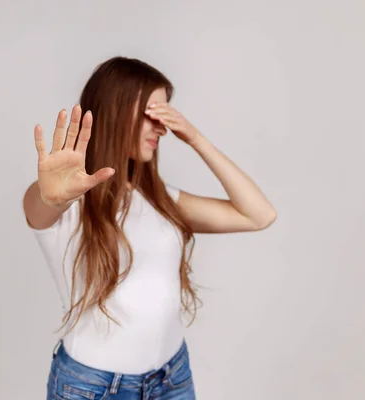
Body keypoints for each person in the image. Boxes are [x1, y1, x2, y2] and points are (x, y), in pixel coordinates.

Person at [23, 56, 277, 399]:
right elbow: (38, 209)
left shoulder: (161, 200)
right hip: (93, 388)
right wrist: (51, 198)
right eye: (152, 113)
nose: (163, 127)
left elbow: (259, 215)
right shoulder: (68, 203)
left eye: (166, 115)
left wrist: (196, 138)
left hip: (170, 377)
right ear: (115, 110)